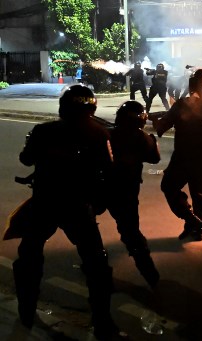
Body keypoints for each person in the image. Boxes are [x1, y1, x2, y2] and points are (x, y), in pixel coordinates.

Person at [13, 84, 122, 339]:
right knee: (96, 264)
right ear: (92, 106)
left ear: (63, 106)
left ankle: (26, 310)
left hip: (44, 203)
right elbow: (110, 171)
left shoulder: (43, 131)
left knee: (29, 256)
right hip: (78, 206)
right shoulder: (99, 133)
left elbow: (26, 159)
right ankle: (102, 321)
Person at [152, 68, 202, 241]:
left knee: (169, 187)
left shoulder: (183, 104)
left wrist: (154, 120)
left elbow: (161, 128)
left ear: (193, 84)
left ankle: (191, 219)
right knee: (199, 193)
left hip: (184, 157)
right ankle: (198, 227)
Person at [107, 100, 161, 287]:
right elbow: (155, 159)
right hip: (127, 190)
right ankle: (149, 272)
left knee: (86, 227)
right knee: (130, 230)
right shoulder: (142, 138)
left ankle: (95, 263)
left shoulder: (108, 134)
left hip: (104, 186)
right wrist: (152, 140)